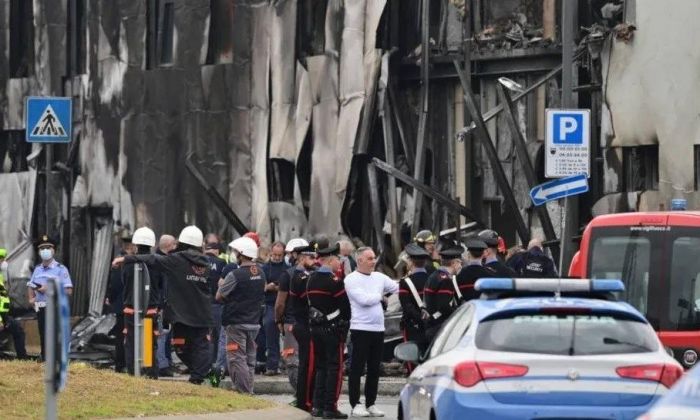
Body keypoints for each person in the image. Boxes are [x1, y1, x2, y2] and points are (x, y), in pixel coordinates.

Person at [112, 225, 212, 384]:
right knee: (195, 348)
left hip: (157, 313)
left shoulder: (175, 261)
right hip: (194, 314)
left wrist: (126, 258)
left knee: (133, 344)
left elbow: (151, 263)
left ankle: (137, 376)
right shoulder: (207, 263)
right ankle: (198, 377)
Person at [344, 247, 399, 418]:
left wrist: (386, 294)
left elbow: (397, 287)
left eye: (374, 258)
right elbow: (364, 300)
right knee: (357, 368)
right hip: (360, 329)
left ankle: (371, 403)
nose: (373, 261)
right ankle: (355, 403)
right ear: (359, 260)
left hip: (378, 329)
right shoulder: (351, 279)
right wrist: (380, 296)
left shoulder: (380, 277)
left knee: (374, 369)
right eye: (369, 258)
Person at [306, 243, 351, 419]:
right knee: (335, 369)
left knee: (320, 367)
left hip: (315, 329)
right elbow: (346, 309)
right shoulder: (334, 282)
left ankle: (317, 405)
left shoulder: (311, 279)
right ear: (331, 259)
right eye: (338, 259)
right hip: (332, 330)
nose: (339, 263)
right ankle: (330, 407)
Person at [216, 236, 265, 394]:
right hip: (254, 322)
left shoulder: (235, 274)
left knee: (236, 358)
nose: (235, 254)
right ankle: (248, 390)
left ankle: (244, 393)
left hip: (236, 322)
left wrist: (222, 286)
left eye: (237, 251)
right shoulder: (261, 273)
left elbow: (219, 296)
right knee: (250, 359)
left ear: (241, 254)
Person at [275, 239, 311, 402]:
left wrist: (278, 321)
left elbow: (280, 303)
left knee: (292, 361)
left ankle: (300, 395)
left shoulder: (288, 275)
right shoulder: (317, 273)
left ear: (297, 255)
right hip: (313, 324)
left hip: (292, 323)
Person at [27, 235, 73, 360]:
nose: (45, 251)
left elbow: (68, 290)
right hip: (41, 307)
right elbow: (31, 285)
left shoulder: (60, 269)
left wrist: (49, 288)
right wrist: (31, 299)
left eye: (48, 247)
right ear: (38, 251)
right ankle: (45, 359)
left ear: (54, 250)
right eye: (42, 248)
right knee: (43, 334)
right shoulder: (37, 269)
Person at [122, 227, 160, 377]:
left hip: (131, 310)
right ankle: (150, 374)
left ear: (135, 245)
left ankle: (133, 374)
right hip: (150, 310)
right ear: (151, 244)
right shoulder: (157, 263)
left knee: (131, 343)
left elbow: (124, 282)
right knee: (148, 344)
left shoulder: (128, 263)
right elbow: (162, 285)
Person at [286, 243, 318, 412]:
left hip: (304, 324)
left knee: (308, 365)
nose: (315, 261)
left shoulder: (306, 275)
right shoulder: (301, 278)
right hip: (304, 325)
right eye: (311, 257)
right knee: (308, 366)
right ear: (302, 258)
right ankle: (305, 402)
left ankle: (305, 399)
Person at [397, 243, 431, 373]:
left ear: (411, 262)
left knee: (412, 357)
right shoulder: (432, 278)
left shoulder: (405, 282)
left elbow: (406, 306)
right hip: (430, 324)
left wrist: (419, 318)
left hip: (413, 326)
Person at [257, 241, 288, 376]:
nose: (276, 257)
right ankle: (272, 366)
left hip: (285, 305)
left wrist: (276, 287)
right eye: (274, 254)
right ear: (270, 252)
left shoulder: (287, 268)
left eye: (279, 255)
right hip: (270, 304)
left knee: (289, 337)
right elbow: (260, 286)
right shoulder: (264, 268)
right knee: (271, 336)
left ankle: (289, 364)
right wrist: (268, 287)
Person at [106, 234, 136, 372]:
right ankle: (123, 364)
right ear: (130, 247)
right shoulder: (123, 262)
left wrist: (111, 298)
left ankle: (122, 364)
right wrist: (112, 298)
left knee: (122, 336)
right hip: (128, 304)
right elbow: (117, 284)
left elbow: (113, 284)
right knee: (125, 336)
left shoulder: (119, 261)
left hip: (121, 304)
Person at [423, 243, 463, 343]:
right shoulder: (446, 280)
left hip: (431, 325)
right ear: (454, 263)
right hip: (439, 327)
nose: (460, 266)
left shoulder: (434, 276)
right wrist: (459, 313)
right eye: (459, 263)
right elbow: (444, 306)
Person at [153, 234, 177, 377]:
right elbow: (161, 285)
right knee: (162, 335)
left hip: (164, 304)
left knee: (166, 336)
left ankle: (166, 361)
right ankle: (162, 365)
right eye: (174, 244)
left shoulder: (160, 259)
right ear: (169, 245)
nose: (175, 247)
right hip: (161, 305)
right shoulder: (161, 262)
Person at [204, 233, 226, 383]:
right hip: (217, 304)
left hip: (201, 304)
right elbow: (223, 284)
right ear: (217, 250)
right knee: (219, 337)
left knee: (207, 336)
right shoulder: (221, 262)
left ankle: (206, 364)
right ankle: (218, 366)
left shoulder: (199, 261)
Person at [0, 248, 27, 359]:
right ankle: (22, 359)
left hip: (4, 315)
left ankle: (22, 359)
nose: (4, 263)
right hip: (1, 316)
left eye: (4, 259)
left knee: (18, 331)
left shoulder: (1, 277)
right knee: (18, 331)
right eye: (1, 259)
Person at [455, 238, 493, 303]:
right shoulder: (490, 273)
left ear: (468, 254)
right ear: (483, 254)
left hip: (468, 310)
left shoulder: (460, 275)